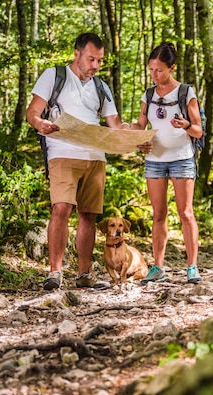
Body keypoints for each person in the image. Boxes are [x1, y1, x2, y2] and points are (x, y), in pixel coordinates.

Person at [26, 32, 151, 291]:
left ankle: (84, 274)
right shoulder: (54, 75)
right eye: (91, 59)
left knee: (89, 215)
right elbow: (33, 112)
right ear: (77, 54)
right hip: (62, 150)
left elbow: (115, 126)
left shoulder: (101, 87)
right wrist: (41, 123)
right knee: (61, 208)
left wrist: (135, 140)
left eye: (100, 61)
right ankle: (55, 272)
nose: (95, 65)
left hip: (95, 155)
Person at [133, 42, 202, 284]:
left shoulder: (185, 93)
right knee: (158, 214)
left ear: (172, 67)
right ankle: (158, 267)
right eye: (151, 70)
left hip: (182, 158)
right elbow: (140, 128)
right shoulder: (149, 95)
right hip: (154, 160)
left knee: (185, 213)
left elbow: (198, 131)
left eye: (159, 70)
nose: (155, 75)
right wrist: (137, 140)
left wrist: (185, 125)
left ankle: (192, 266)